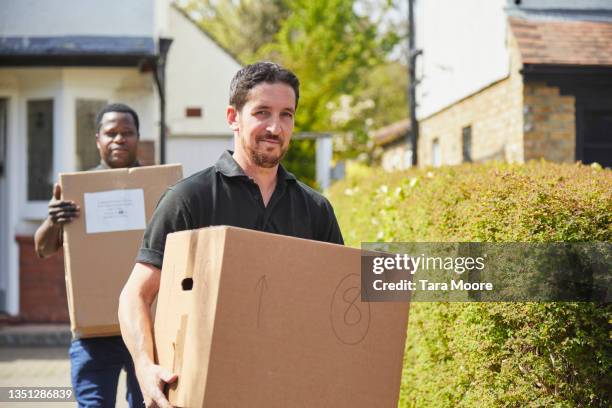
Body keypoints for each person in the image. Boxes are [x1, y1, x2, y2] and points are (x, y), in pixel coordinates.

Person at [118, 61, 344, 407]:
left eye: (287, 115)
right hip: (205, 393)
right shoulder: (188, 199)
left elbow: (338, 303)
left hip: (287, 392)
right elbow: (135, 293)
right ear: (232, 117)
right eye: (262, 112)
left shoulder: (315, 209)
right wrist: (144, 366)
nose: (275, 127)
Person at [34, 103, 145, 408]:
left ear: (138, 137)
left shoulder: (157, 188)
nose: (119, 139)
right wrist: (53, 220)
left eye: (127, 133)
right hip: (94, 333)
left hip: (146, 327)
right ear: (98, 139)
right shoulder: (76, 191)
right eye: (111, 133)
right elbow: (42, 249)